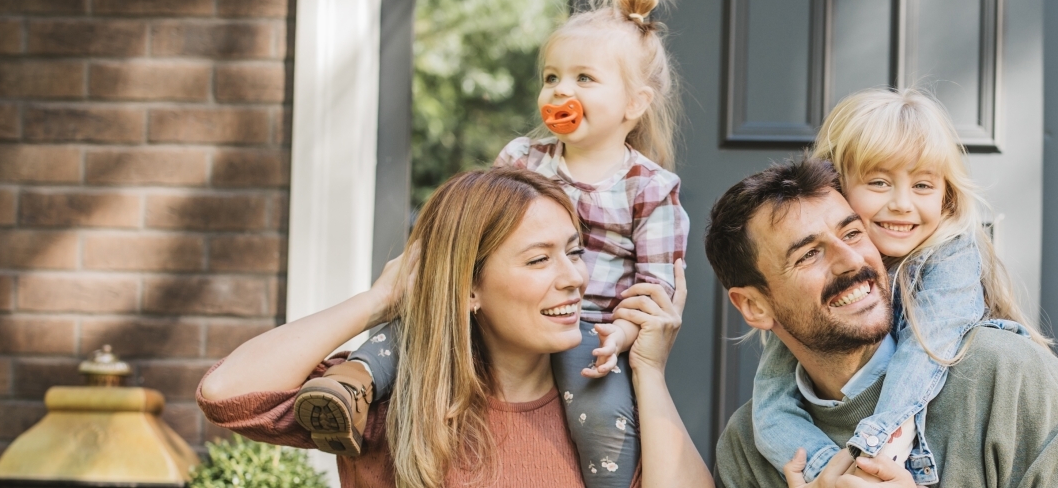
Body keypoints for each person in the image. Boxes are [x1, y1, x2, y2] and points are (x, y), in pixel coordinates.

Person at [294, 0, 690, 487]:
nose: (559, 90)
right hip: (504, 312)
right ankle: (351, 385)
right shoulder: (522, 158)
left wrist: (623, 333)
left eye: (583, 79)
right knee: (412, 326)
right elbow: (483, 222)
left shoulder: (651, 186)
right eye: (551, 77)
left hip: (590, 328)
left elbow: (655, 283)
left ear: (635, 104)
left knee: (605, 421)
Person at [197, 169, 711, 488]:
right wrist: (380, 300)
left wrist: (648, 372)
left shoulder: (609, 412)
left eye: (574, 253)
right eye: (539, 261)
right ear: (470, 290)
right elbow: (226, 393)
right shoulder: (378, 406)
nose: (575, 278)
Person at [706, 159, 1058, 487]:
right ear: (754, 306)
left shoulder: (1008, 377)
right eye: (808, 254)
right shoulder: (748, 447)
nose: (852, 260)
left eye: (852, 233)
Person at [750, 89, 1053, 485]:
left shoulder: (950, 257)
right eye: (878, 182)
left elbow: (925, 352)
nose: (902, 204)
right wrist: (824, 470)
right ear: (833, 186)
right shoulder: (815, 292)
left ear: (946, 196)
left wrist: (870, 453)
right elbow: (770, 402)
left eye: (923, 186)